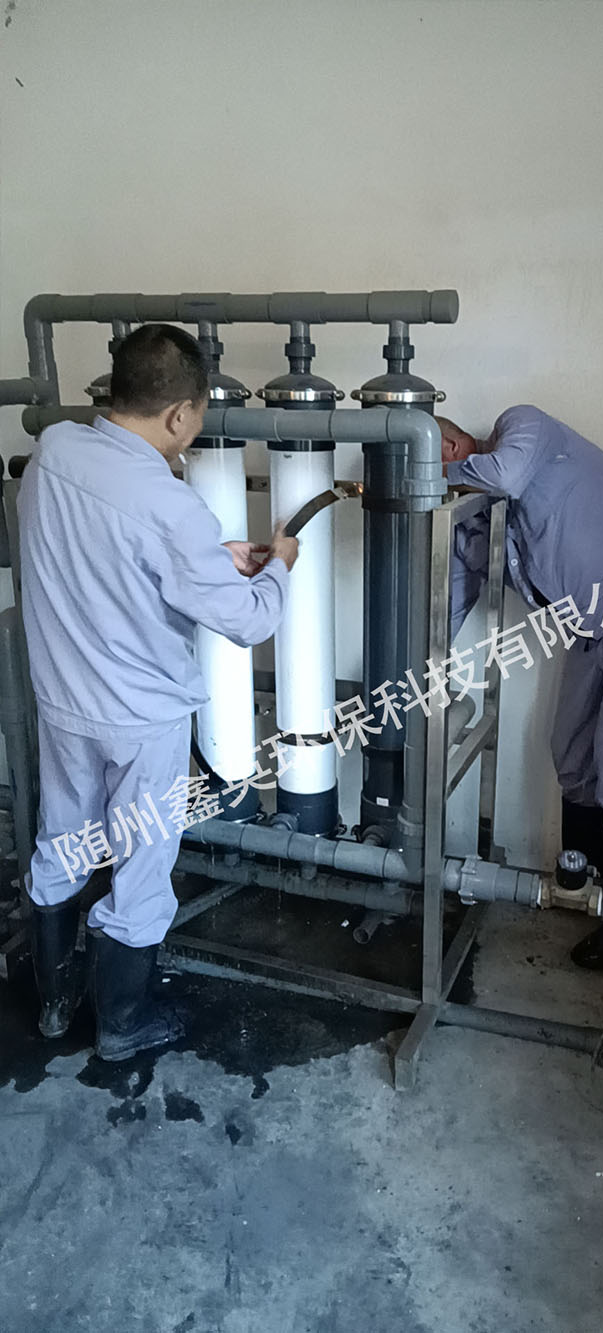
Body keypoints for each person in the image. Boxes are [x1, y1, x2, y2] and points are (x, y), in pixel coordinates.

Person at [19, 324, 298, 1059]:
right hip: (142, 719)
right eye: (198, 416)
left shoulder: (55, 450)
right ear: (179, 414)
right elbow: (251, 621)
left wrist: (212, 557)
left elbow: (112, 553)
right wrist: (280, 564)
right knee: (141, 867)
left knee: (63, 840)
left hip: (64, 701)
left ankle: (54, 1005)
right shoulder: (170, 505)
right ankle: (123, 1024)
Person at [440, 405, 603, 969]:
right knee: (570, 750)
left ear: (453, 446)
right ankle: (585, 887)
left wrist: (427, 477)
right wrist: (423, 667)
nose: (441, 475)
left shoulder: (523, 428)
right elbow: (455, 599)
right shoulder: (475, 519)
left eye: (431, 459)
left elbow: (507, 474)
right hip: (592, 623)